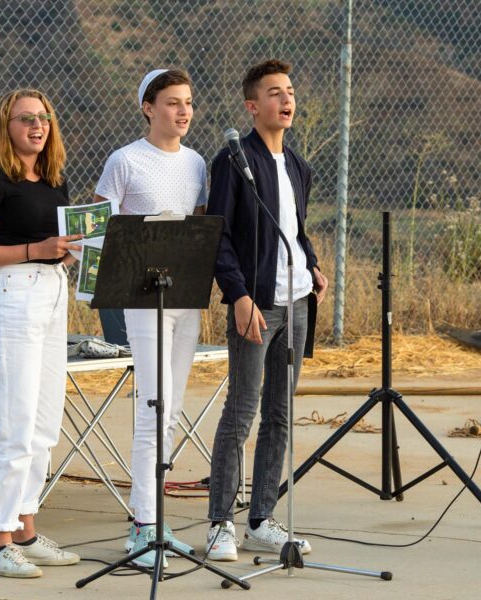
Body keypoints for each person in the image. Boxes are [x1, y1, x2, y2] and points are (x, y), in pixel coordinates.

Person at [204, 59, 328, 561]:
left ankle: (261, 517)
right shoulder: (233, 161)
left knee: (281, 414)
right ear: (252, 106)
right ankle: (219, 524)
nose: (286, 99)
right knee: (242, 412)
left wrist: (314, 266)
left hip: (297, 303)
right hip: (258, 304)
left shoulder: (298, 166)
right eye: (275, 92)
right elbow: (221, 237)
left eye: (290, 91)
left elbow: (293, 233)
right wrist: (238, 296)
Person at [0, 89, 83, 578]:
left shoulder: (53, 180)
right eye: (25, 118)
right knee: (16, 421)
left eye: (43, 117)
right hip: (11, 296)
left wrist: (71, 251)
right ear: (5, 126)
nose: (37, 125)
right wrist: (37, 249)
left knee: (45, 422)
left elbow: (53, 245)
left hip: (52, 293)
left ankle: (25, 529)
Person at [93, 68, 207, 569]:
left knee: (175, 407)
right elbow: (100, 228)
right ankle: (142, 525)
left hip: (186, 299)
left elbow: (201, 230)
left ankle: (156, 519)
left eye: (187, 103)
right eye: (171, 103)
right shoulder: (125, 161)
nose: (182, 112)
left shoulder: (198, 162)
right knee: (153, 407)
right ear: (148, 107)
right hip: (143, 301)